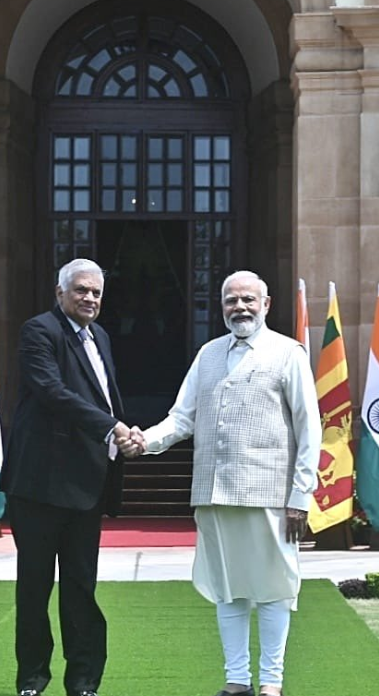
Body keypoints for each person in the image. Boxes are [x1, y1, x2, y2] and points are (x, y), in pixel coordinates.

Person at [126, 270, 321, 696]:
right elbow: (182, 417)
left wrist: (300, 496)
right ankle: (237, 681)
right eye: (232, 300)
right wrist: (146, 441)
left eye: (249, 299)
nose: (240, 307)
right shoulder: (209, 354)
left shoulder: (289, 353)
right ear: (221, 306)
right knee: (227, 588)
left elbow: (310, 428)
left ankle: (271, 682)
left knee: (273, 589)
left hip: (271, 495)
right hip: (214, 493)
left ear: (266, 305)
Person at [0, 258, 143, 696]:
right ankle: (32, 681)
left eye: (97, 292)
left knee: (81, 588)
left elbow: (105, 400)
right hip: (40, 485)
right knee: (35, 587)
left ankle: (83, 682)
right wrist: (110, 427)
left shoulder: (99, 336)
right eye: (81, 290)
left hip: (86, 485)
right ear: (60, 293)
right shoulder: (40, 331)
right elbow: (52, 392)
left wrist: (124, 432)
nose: (90, 299)